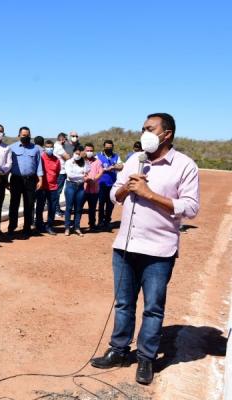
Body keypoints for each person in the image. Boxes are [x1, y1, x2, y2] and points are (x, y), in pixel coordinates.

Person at [91, 113, 199, 385]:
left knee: (153, 308)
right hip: (125, 247)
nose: (144, 134)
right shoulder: (133, 161)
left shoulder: (184, 166)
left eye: (150, 129)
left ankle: (146, 358)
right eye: (142, 129)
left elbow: (191, 207)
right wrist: (126, 189)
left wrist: (150, 194)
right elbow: (113, 195)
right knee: (124, 303)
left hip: (159, 252)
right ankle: (118, 350)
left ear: (167, 134)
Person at [8, 127, 43, 236]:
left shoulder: (36, 149)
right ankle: (12, 228)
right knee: (14, 204)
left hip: (31, 180)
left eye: (27, 135)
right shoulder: (11, 148)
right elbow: (7, 165)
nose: (25, 137)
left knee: (29, 205)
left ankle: (27, 229)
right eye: (23, 135)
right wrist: (5, 180)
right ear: (19, 136)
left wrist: (40, 179)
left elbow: (39, 165)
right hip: (16, 179)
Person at [35, 140, 61, 235]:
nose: (49, 149)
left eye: (51, 147)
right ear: (44, 148)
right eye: (47, 147)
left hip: (53, 188)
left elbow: (57, 173)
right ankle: (39, 225)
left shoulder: (57, 160)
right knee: (39, 207)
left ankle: (49, 226)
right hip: (41, 187)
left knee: (52, 208)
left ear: (53, 148)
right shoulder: (40, 158)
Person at [97, 140, 123, 231]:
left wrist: (114, 167)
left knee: (110, 204)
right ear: (104, 147)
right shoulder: (98, 156)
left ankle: (107, 221)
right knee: (101, 204)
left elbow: (121, 166)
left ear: (112, 147)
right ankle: (100, 222)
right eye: (107, 147)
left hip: (112, 184)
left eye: (110, 147)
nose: (108, 149)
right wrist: (104, 169)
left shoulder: (116, 156)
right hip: (101, 184)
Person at [63, 146, 90, 236]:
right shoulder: (68, 162)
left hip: (80, 187)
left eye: (79, 154)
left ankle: (77, 227)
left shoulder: (83, 162)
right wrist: (82, 175)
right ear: (73, 153)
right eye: (76, 153)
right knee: (69, 207)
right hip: (71, 185)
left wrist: (85, 159)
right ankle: (67, 227)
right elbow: (70, 175)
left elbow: (87, 170)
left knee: (79, 208)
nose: (78, 155)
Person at [83, 143, 104, 231]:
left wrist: (94, 179)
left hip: (94, 189)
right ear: (84, 151)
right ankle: (76, 225)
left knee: (92, 209)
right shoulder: (81, 161)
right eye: (87, 150)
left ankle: (92, 225)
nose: (89, 152)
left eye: (91, 150)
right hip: (82, 189)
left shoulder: (98, 162)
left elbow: (101, 172)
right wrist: (85, 178)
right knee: (79, 208)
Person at [53, 132, 73, 216]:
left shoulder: (57, 146)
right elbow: (67, 157)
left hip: (61, 171)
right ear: (62, 139)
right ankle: (56, 210)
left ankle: (56, 209)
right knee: (58, 191)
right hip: (61, 172)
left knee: (57, 191)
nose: (66, 141)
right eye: (66, 139)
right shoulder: (59, 147)